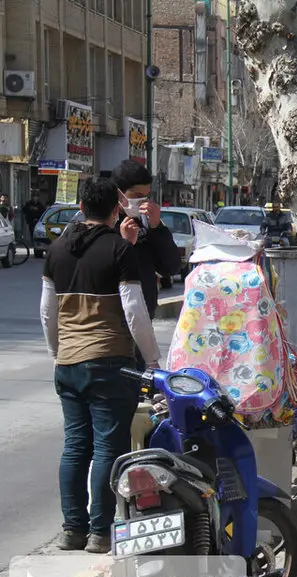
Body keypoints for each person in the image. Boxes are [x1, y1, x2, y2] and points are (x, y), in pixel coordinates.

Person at [40, 177, 161, 554]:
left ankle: (72, 529)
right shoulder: (118, 250)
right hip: (109, 362)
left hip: (69, 363)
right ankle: (100, 532)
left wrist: (58, 352)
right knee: (108, 447)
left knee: (75, 447)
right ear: (115, 209)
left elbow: (47, 312)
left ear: (79, 206)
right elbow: (134, 311)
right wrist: (154, 360)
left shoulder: (56, 250)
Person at [112, 160, 181, 317]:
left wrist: (157, 228)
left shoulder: (145, 223)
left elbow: (170, 267)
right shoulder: (106, 223)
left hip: (143, 314)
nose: (143, 202)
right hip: (114, 317)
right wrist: (126, 244)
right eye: (137, 196)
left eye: (146, 196)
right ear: (119, 194)